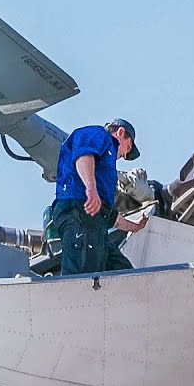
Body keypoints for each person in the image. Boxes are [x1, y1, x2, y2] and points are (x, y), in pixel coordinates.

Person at [49, 118, 149, 275]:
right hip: (78, 211)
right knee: (81, 273)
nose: (123, 155)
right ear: (120, 132)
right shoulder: (100, 135)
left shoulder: (105, 170)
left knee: (122, 272)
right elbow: (83, 155)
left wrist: (135, 226)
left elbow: (108, 215)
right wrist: (90, 188)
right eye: (127, 147)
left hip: (96, 223)